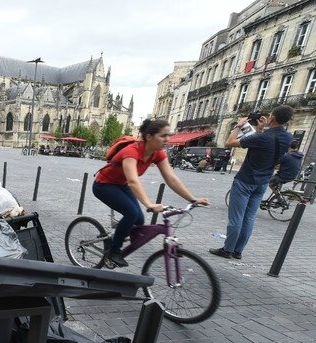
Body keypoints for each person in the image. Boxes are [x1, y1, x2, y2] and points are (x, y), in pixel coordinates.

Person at [93, 119, 209, 267]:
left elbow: (171, 179)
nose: (167, 139)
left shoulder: (158, 153)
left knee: (139, 220)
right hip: (103, 185)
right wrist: (149, 204)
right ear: (149, 137)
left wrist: (193, 199)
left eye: (169, 135)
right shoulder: (131, 152)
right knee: (131, 213)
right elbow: (133, 181)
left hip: (121, 185)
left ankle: (117, 236)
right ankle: (114, 251)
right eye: (163, 136)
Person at [210, 105, 293, 260]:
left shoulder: (261, 137)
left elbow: (229, 142)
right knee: (249, 217)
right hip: (262, 182)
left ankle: (227, 249)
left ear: (273, 118)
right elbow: (268, 146)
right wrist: (261, 129)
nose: (267, 118)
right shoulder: (287, 137)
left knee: (236, 217)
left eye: (269, 116)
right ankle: (238, 251)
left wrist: (239, 125)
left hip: (245, 180)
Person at [262, 140, 303, 206]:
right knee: (275, 182)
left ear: (288, 147)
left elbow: (274, 163)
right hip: (292, 176)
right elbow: (289, 164)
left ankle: (280, 200)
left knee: (270, 183)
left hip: (283, 176)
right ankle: (278, 196)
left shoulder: (286, 156)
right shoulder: (299, 156)